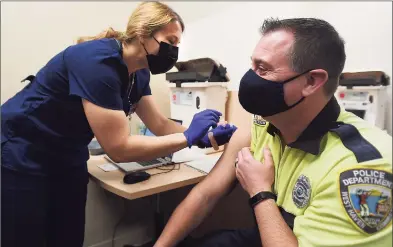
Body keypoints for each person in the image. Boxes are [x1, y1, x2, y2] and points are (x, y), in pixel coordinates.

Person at [1, 2, 237, 247]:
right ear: (144, 32)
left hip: (68, 153)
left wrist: (204, 137)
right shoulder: (96, 61)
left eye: (178, 44)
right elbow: (119, 148)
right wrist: (188, 137)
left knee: (67, 236)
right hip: (23, 147)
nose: (174, 51)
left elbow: (159, 124)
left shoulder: (139, 72)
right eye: (171, 40)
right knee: (24, 237)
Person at [154, 17, 392, 247]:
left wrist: (260, 191)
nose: (250, 79)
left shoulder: (361, 172)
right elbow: (206, 194)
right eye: (252, 65)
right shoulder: (263, 122)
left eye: (263, 69)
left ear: (311, 81)